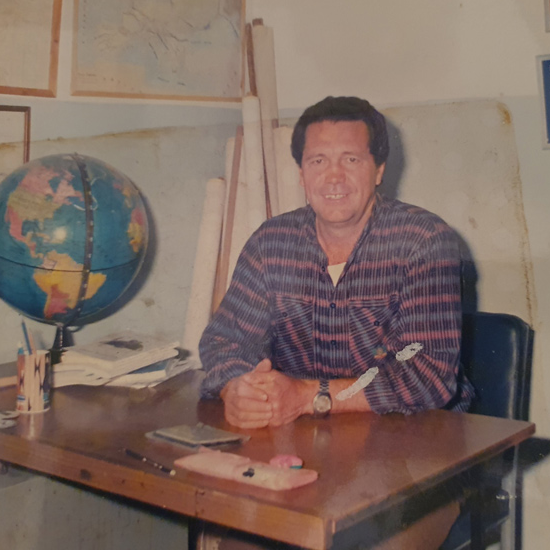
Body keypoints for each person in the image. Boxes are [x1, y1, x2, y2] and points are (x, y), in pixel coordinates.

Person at [198, 95, 474, 548]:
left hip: (416, 455)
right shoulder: (271, 242)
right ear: (301, 173)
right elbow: (225, 341)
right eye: (318, 161)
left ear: (379, 169)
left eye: (351, 159)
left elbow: (428, 375)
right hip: (305, 450)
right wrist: (237, 388)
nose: (334, 177)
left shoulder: (424, 241)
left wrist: (309, 396)